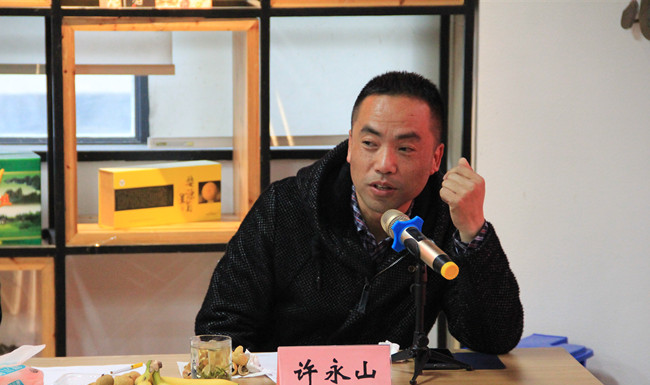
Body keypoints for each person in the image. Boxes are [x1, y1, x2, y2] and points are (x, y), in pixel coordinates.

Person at [196, 71, 523, 355]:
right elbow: (220, 329)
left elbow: (493, 340)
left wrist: (473, 231)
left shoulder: (445, 219)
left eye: (405, 148)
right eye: (370, 143)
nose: (385, 164)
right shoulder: (284, 207)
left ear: (436, 159)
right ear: (351, 145)